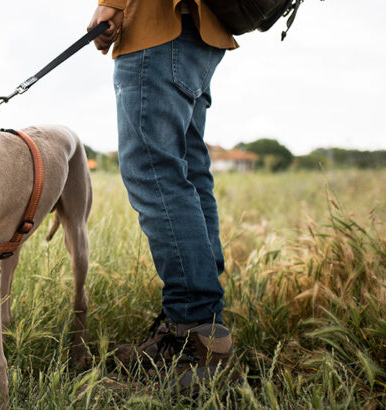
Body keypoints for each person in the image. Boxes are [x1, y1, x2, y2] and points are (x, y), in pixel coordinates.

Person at [87, 0, 238, 387]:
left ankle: (194, 333)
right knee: (186, 171)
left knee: (154, 173)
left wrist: (113, 4)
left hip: (159, 28)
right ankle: (206, 323)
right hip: (201, 31)